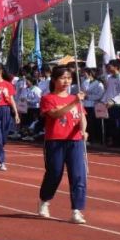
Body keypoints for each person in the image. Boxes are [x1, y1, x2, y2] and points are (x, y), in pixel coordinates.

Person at [37, 66, 88, 224]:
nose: (66, 81)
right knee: (54, 173)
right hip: (55, 141)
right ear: (54, 80)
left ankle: (77, 210)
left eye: (69, 78)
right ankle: (45, 200)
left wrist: (84, 130)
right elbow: (56, 114)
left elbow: (82, 117)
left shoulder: (75, 98)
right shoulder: (48, 98)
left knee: (78, 175)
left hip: (75, 141)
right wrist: (74, 102)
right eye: (63, 78)